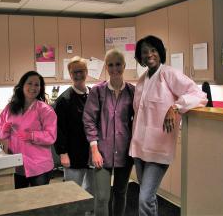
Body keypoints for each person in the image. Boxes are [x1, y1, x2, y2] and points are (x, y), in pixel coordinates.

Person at [130, 35, 208, 216]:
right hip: (139, 148)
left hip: (158, 149)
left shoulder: (169, 74)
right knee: (147, 195)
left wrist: (176, 107)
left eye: (153, 50)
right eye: (144, 52)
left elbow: (199, 94)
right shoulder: (141, 81)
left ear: (160, 53)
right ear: (140, 57)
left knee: (145, 197)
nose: (149, 55)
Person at [83, 49, 135, 216]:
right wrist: (94, 149)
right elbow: (89, 120)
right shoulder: (97, 91)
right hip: (101, 153)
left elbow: (140, 119)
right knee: (103, 197)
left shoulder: (133, 92)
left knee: (120, 193)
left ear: (124, 66)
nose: (114, 69)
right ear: (106, 67)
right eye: (111, 65)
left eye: (118, 64)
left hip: (125, 152)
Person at [0, 71, 57, 189]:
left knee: (39, 202)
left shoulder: (45, 110)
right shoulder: (10, 108)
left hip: (39, 166)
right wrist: (4, 129)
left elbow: (51, 136)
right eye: (29, 83)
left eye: (37, 85)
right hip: (16, 164)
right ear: (22, 85)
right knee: (20, 201)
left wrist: (32, 136)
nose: (33, 87)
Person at [53, 56, 94, 195]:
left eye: (81, 71)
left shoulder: (94, 95)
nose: (78, 75)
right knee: (72, 194)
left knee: (92, 191)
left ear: (86, 72)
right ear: (70, 74)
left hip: (93, 154)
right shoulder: (64, 100)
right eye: (74, 72)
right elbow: (59, 129)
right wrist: (63, 153)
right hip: (73, 155)